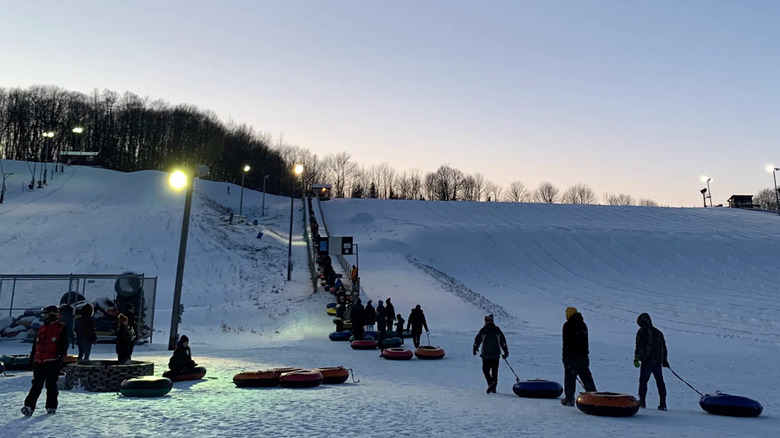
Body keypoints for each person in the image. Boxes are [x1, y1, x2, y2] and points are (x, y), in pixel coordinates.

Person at [21, 305, 68, 416]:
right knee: (36, 385)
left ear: (52, 315)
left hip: (52, 362)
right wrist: (32, 360)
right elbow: (35, 345)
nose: (44, 316)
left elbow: (63, 343)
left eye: (46, 314)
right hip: (39, 362)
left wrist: (60, 357)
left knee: (51, 385)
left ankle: (51, 406)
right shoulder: (42, 328)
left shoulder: (61, 327)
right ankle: (29, 406)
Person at [561, 307, 597, 406]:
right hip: (583, 357)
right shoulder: (583, 325)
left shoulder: (567, 325)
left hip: (571, 357)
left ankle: (569, 399)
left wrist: (565, 358)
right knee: (586, 378)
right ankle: (595, 397)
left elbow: (566, 343)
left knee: (570, 379)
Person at [634, 312, 669, 410]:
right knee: (660, 381)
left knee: (643, 381)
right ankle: (663, 403)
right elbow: (664, 347)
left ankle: (642, 400)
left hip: (647, 361)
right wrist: (664, 360)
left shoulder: (642, 331)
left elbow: (639, 345)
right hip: (658, 361)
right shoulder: (658, 332)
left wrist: (637, 357)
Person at [473, 314, 509, 394]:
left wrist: (475, 348)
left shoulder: (483, 330)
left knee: (485, 370)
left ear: (485, 321)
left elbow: (477, 339)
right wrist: (505, 351)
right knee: (495, 371)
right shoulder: (497, 330)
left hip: (486, 354)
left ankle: (490, 383)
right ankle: (494, 387)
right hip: (496, 354)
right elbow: (503, 341)